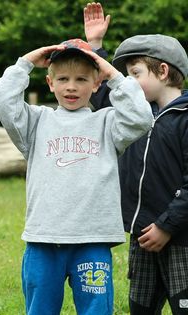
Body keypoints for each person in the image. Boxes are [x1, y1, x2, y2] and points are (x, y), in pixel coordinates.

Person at [0, 38, 153, 314]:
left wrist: (113, 75)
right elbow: (2, 101)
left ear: (96, 83)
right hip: (44, 239)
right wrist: (26, 62)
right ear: (50, 83)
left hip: (93, 240)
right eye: (63, 79)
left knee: (96, 310)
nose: (72, 87)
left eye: (81, 79)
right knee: (40, 308)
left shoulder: (109, 123)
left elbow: (141, 117)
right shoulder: (36, 122)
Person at [84, 3, 188, 314]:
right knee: (140, 307)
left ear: (164, 71)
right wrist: (95, 47)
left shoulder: (184, 117)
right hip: (142, 235)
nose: (127, 83)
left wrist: (167, 226)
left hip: (180, 238)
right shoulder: (134, 117)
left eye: (135, 74)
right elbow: (103, 95)